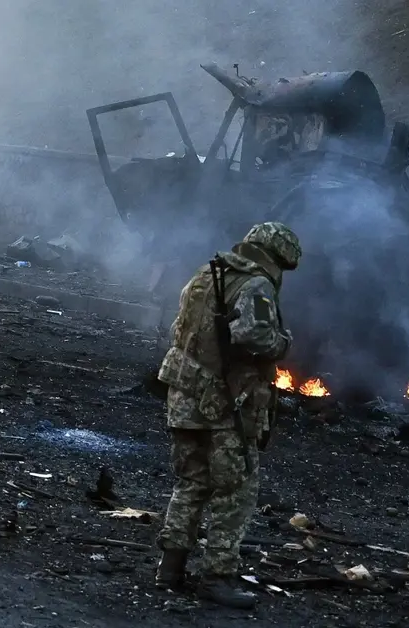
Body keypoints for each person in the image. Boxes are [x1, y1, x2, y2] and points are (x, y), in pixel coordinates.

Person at [154, 221, 302, 609]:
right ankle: (217, 577)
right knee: (236, 489)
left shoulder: (209, 273)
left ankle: (170, 570)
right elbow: (254, 336)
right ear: (277, 257)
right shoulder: (255, 284)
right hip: (222, 402)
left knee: (191, 482)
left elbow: (182, 328)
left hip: (185, 394)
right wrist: (283, 344)